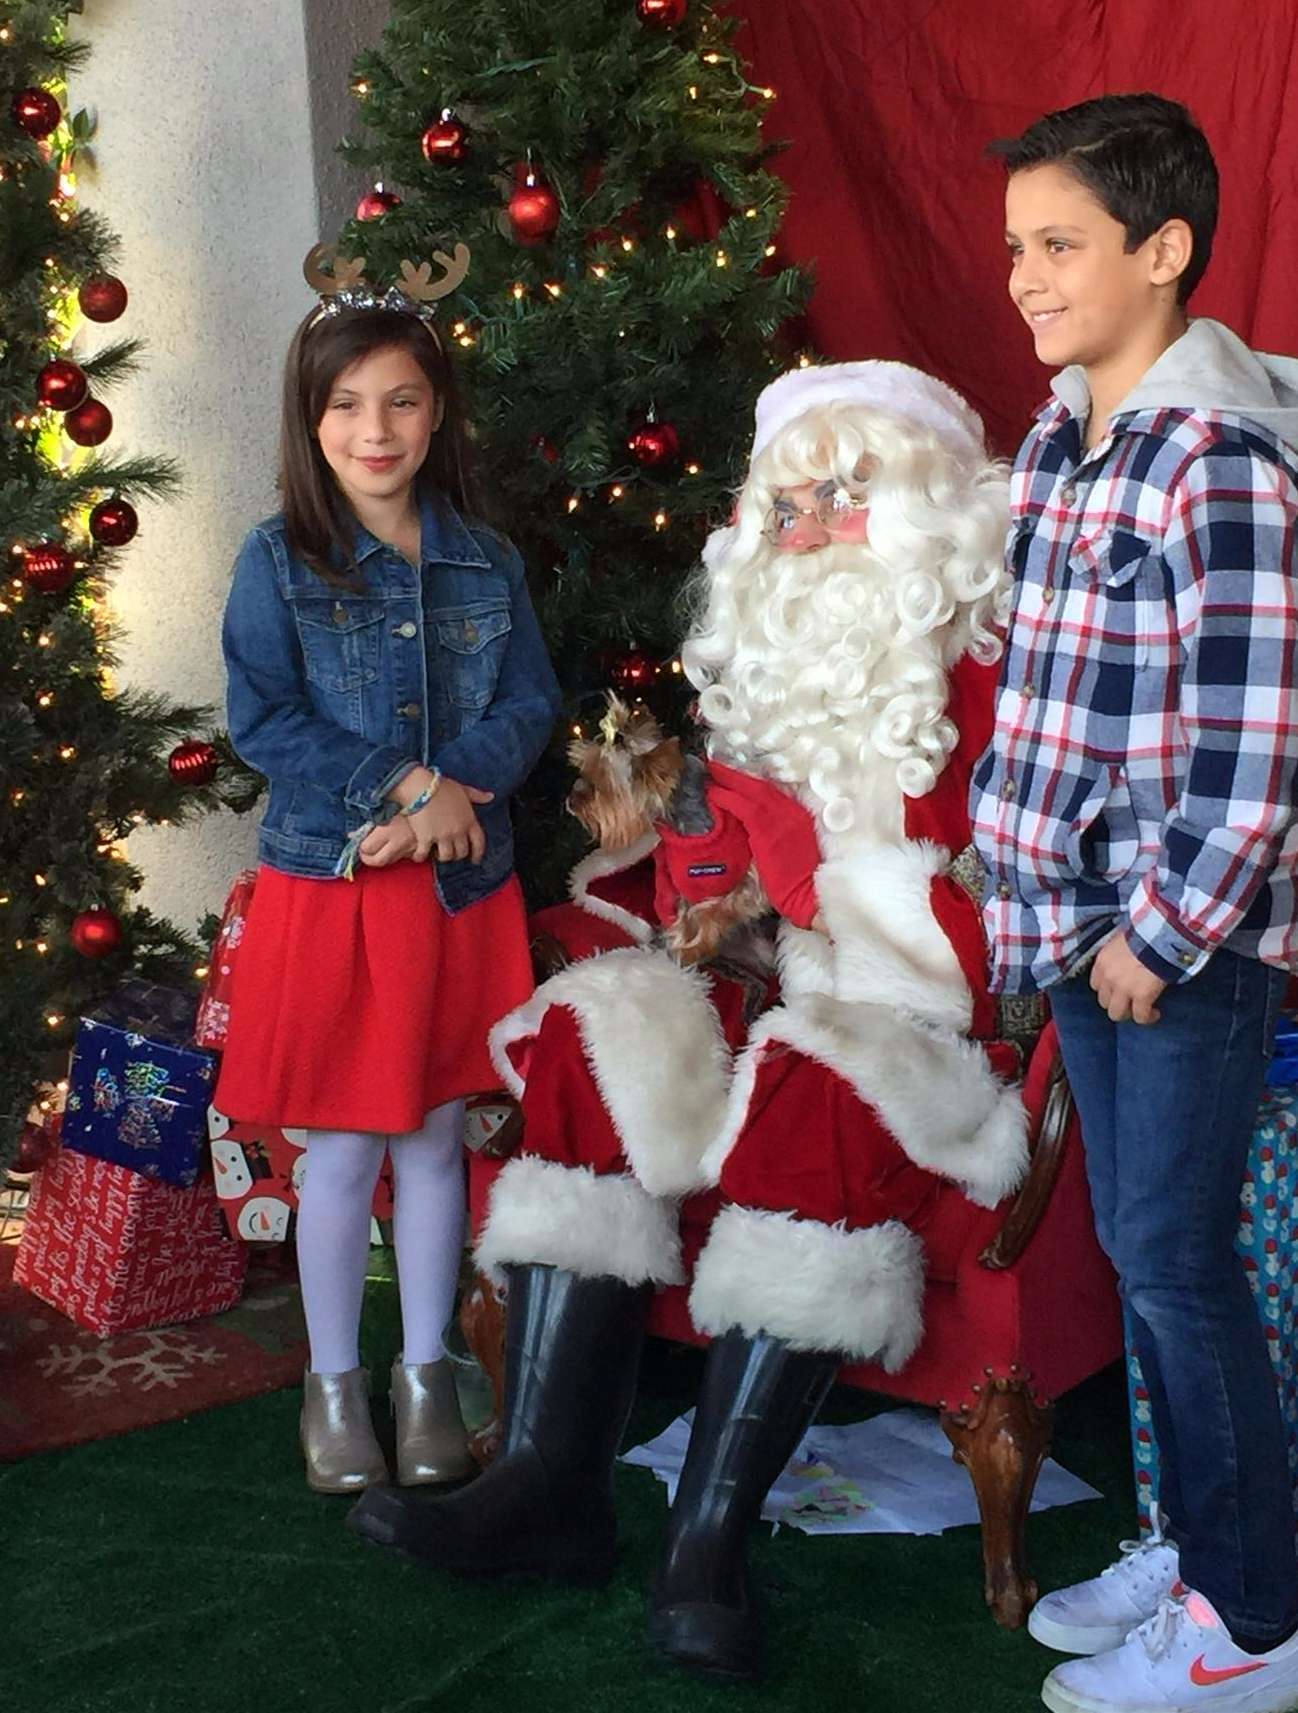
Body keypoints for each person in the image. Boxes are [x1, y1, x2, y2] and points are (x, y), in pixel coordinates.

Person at [349, 359, 1037, 1680]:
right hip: (775, 987)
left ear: (931, 521)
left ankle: (707, 1537)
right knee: (596, 1036)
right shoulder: (764, 685)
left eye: (847, 497)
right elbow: (705, 891)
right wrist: (709, 910)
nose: (809, 528)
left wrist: (810, 881)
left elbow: (998, 935)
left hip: (925, 1024)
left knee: (821, 1093)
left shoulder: (997, 687)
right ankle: (550, 1485)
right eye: (787, 503)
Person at [972, 94, 1298, 1713]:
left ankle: (1252, 1629)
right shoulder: (1064, 437)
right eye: (1017, 249)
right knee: (1141, 1252)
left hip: (1170, 945)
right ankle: (1191, 1548)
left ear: (1161, 250)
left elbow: (1253, 756)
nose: (1028, 278)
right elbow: (1056, 688)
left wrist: (1158, 940)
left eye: (1059, 245)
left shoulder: (1229, 465)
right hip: (1071, 928)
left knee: (1177, 1265)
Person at [216, 271, 560, 1498]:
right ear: (312, 420)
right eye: (350, 405)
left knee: (429, 1142)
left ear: (437, 414)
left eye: (403, 402)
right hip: (338, 894)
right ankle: (331, 1386)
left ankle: (424, 1378)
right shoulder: (280, 560)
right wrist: (402, 791)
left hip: (453, 897)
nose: (377, 431)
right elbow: (264, 718)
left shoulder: (486, 561)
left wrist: (452, 792)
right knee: (344, 1153)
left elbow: (529, 706)